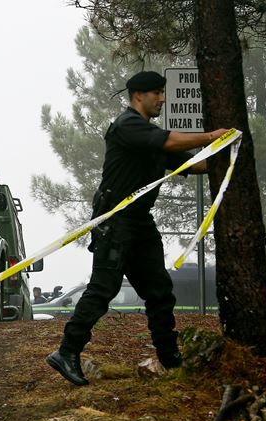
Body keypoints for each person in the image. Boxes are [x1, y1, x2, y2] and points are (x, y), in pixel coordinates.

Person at [45, 71, 230, 386]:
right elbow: (169, 140)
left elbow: (195, 165)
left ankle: (172, 362)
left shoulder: (151, 138)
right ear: (138, 96)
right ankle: (67, 352)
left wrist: (229, 149)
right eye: (157, 93)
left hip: (141, 223)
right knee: (104, 289)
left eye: (163, 92)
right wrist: (211, 135)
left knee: (160, 292)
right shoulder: (128, 126)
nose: (162, 99)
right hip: (114, 221)